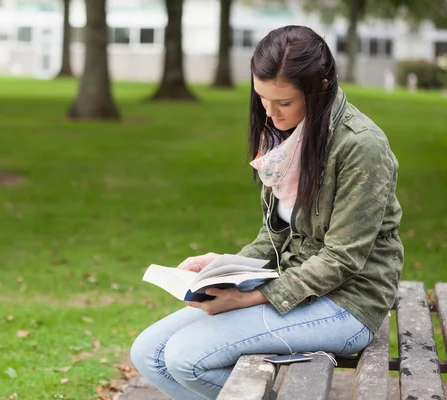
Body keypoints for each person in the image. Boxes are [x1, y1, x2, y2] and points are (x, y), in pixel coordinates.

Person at [130, 25, 404, 400]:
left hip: (349, 302)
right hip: (295, 282)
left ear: (320, 87)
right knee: (147, 353)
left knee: (184, 359)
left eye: (284, 102)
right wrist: (226, 267)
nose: (270, 113)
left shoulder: (361, 147)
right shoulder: (286, 135)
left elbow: (343, 258)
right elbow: (275, 235)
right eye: (262, 98)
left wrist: (249, 298)